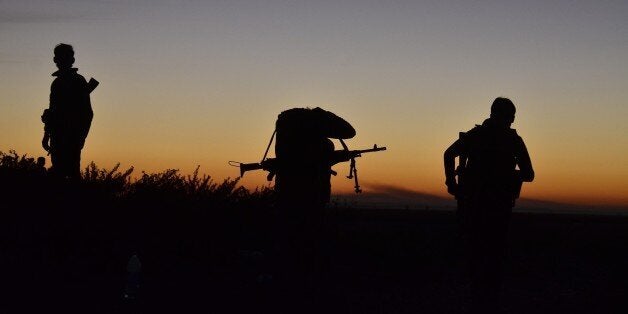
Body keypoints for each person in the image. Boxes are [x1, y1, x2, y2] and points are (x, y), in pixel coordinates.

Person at [443, 97, 534, 313]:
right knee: (491, 258)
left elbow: (448, 154)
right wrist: (507, 176)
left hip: (476, 205)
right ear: (510, 117)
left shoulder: (475, 136)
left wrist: (452, 183)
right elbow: (529, 174)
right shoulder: (513, 140)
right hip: (495, 208)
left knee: (475, 255)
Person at [41, 43, 96, 180]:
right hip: (57, 137)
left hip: (71, 137)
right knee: (59, 176)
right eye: (58, 57)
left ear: (71, 60)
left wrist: (80, 137)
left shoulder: (78, 81)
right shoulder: (56, 83)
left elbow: (87, 113)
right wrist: (47, 134)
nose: (60, 61)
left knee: (71, 176)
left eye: (64, 57)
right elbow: (53, 111)